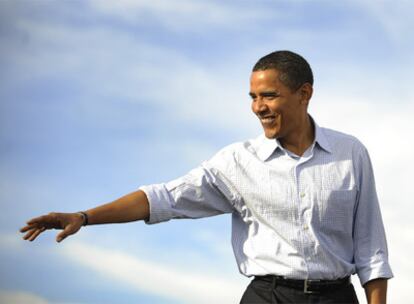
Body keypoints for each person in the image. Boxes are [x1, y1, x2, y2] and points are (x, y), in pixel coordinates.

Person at [20, 50, 393, 303]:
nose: (258, 107)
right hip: (268, 296)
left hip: (337, 298)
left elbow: (371, 250)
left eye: (269, 96)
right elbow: (163, 198)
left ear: (304, 93)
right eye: (252, 96)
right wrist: (84, 217)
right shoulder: (237, 162)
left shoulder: (351, 153)